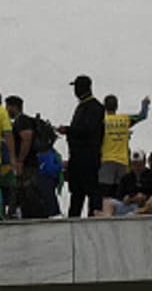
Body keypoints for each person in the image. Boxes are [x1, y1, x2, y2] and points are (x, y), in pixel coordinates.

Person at [58, 74, 105, 217]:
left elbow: (88, 130)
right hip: (78, 159)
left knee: (92, 194)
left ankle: (92, 222)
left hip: (88, 159)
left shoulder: (94, 107)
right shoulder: (84, 106)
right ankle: (74, 221)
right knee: (77, 196)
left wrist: (68, 130)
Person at [100, 95, 150, 197]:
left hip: (106, 160)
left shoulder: (102, 121)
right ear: (117, 106)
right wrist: (145, 103)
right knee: (121, 193)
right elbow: (142, 115)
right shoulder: (125, 119)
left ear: (104, 106)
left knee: (105, 193)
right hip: (123, 161)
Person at [98, 150, 152, 216]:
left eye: (139, 164)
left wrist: (145, 197)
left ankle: (141, 211)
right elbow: (119, 195)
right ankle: (107, 216)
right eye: (134, 164)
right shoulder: (126, 178)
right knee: (107, 201)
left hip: (150, 206)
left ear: (144, 163)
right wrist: (129, 198)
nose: (137, 167)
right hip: (130, 206)